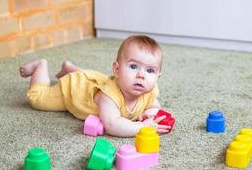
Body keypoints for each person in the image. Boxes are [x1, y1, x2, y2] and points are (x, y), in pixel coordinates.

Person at [19, 35, 171, 137]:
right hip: (74, 89)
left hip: (96, 80)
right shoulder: (109, 96)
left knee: (96, 77)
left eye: (150, 70)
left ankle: (69, 67)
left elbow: (154, 105)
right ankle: (40, 66)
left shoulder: (149, 90)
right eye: (133, 67)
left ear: (157, 77)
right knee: (38, 99)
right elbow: (112, 124)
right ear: (116, 70)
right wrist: (142, 127)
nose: (141, 75)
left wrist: (150, 114)